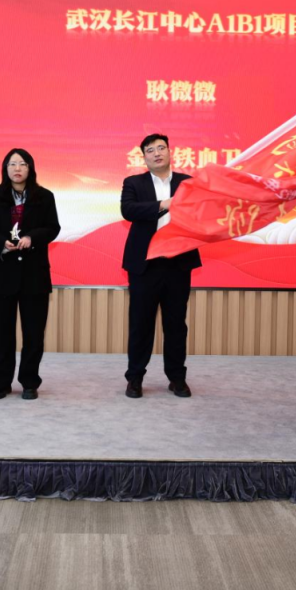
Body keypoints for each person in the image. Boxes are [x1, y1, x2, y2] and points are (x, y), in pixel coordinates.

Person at [120, 133, 202, 399]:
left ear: (169, 152)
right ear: (144, 157)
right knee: (140, 324)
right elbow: (128, 210)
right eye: (150, 150)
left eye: (161, 148)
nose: (156, 153)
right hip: (145, 264)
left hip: (178, 263)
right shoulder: (134, 183)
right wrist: (164, 204)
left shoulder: (187, 183)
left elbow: (199, 213)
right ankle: (135, 378)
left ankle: (177, 378)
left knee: (176, 324)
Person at [0, 149, 60, 400]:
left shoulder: (45, 196)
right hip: (1, 273)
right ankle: (1, 382)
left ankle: (29, 382)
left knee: (34, 333)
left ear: (30, 168)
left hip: (34, 275)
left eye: (22, 164)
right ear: (5, 168)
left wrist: (32, 238)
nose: (17, 168)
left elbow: (53, 227)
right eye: (12, 164)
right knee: (1, 333)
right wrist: (1, 242)